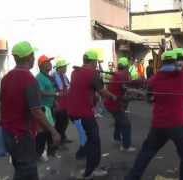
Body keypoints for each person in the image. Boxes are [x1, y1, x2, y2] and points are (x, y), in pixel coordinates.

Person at [125, 50, 183, 180]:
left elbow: (149, 98)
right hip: (178, 124)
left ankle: (132, 177)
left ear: (162, 62)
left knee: (146, 152)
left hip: (159, 124)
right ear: (176, 61)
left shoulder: (155, 78)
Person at [0, 41, 61, 180]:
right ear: (30, 57)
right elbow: (36, 111)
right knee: (28, 171)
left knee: (20, 168)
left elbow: (3, 105)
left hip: (8, 133)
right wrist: (53, 131)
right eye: (33, 55)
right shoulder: (29, 79)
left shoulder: (6, 78)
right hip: (21, 134)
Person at [67, 49, 117, 179]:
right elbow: (103, 92)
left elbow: (86, 88)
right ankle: (90, 171)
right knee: (94, 141)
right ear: (94, 61)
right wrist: (113, 97)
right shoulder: (92, 74)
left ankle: (82, 155)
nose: (97, 64)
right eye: (96, 62)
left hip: (73, 112)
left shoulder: (74, 72)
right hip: (84, 113)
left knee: (88, 138)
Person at [104, 57, 136, 152]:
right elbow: (126, 89)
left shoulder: (118, 74)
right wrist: (136, 94)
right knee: (126, 124)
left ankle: (117, 138)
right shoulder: (122, 75)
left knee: (119, 121)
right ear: (126, 67)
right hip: (114, 104)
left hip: (111, 103)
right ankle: (126, 146)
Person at [35, 55, 59, 160]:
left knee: (50, 130)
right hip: (44, 108)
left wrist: (55, 101)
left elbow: (51, 89)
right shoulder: (39, 77)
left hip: (50, 107)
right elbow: (40, 92)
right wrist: (55, 95)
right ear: (41, 65)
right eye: (47, 62)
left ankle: (50, 152)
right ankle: (38, 154)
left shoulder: (48, 76)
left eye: (50, 61)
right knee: (44, 132)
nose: (50, 63)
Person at [52, 57, 72, 146]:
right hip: (59, 103)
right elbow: (53, 90)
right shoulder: (53, 76)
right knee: (59, 123)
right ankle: (58, 141)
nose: (66, 68)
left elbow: (68, 86)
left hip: (66, 103)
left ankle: (63, 137)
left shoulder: (64, 76)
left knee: (65, 121)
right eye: (64, 66)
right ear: (59, 68)